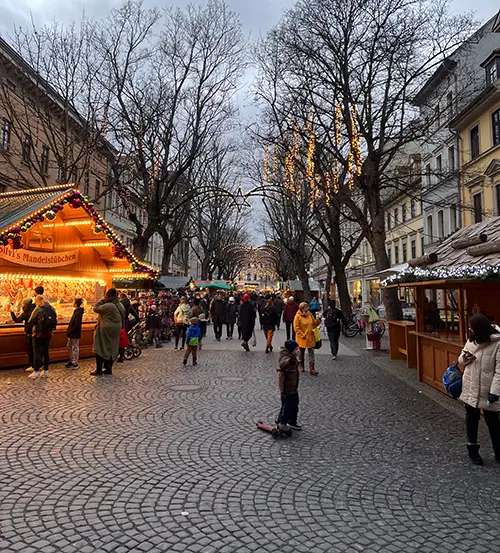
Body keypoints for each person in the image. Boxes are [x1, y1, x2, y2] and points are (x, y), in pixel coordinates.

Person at [458, 314, 500, 466]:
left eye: (471, 327)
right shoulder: (472, 339)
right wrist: (466, 358)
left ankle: (498, 450)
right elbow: (461, 360)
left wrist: (495, 392)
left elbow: (499, 371)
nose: (469, 329)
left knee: (493, 422)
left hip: (488, 390)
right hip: (471, 386)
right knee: (471, 419)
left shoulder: (497, 343)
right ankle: (472, 450)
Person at [92, 288, 125, 376]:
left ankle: (99, 369)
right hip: (116, 329)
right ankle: (108, 368)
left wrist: (103, 299)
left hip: (105, 328)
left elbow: (95, 308)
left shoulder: (109, 306)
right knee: (111, 348)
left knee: (99, 347)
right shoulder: (120, 305)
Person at [27, 295, 57, 379]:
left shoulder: (38, 309)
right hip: (48, 333)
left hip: (38, 333)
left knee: (37, 352)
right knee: (46, 352)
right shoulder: (51, 308)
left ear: (37, 301)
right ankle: (46, 371)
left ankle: (36, 371)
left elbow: (31, 321)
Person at [277, 340, 301, 431]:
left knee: (294, 405)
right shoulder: (286, 357)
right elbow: (283, 364)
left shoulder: (294, 357)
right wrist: (289, 362)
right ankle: (282, 422)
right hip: (287, 387)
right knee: (286, 405)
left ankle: (292, 421)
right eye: (296, 349)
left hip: (293, 387)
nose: (298, 351)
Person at [293, 302, 321, 376]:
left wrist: (318, 320)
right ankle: (301, 366)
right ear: (301, 308)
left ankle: (312, 369)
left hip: (311, 337)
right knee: (301, 353)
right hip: (302, 339)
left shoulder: (310, 314)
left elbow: (314, 324)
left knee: (311, 353)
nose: (307, 308)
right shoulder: (298, 316)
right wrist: (303, 335)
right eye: (305, 307)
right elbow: (296, 328)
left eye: (307, 307)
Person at [11, 298, 36, 372]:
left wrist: (12, 313)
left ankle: (32, 364)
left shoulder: (25, 313)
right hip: (35, 332)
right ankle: (37, 364)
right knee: (36, 350)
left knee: (30, 349)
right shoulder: (35, 310)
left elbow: (17, 320)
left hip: (29, 332)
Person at [66, 298, 84, 369]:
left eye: (73, 301)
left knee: (74, 347)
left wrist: (70, 331)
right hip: (72, 333)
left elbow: (76, 325)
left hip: (74, 333)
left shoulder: (78, 313)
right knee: (69, 346)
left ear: (75, 304)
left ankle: (75, 363)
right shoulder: (77, 311)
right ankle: (71, 360)